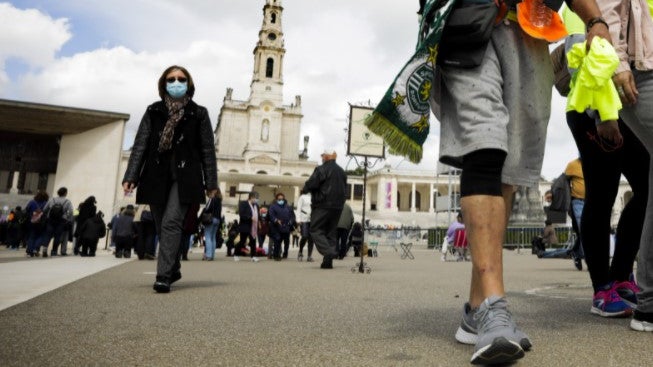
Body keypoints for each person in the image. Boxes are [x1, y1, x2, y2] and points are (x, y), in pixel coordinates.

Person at [418, 0, 612, 363]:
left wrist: (595, 21)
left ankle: (476, 309)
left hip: (530, 33)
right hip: (471, 22)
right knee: (484, 147)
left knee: (508, 170)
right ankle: (494, 307)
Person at [122, 65, 218, 293]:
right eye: (171, 79)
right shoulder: (153, 111)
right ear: (164, 84)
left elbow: (207, 150)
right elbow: (141, 145)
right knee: (160, 224)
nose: (177, 82)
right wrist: (131, 175)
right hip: (156, 174)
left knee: (172, 222)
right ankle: (173, 265)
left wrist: (211, 182)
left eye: (181, 79)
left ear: (189, 83)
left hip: (186, 176)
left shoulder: (199, 113)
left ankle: (163, 276)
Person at [598, 0, 653, 332]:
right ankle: (648, 302)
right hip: (638, 72)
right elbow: (604, 9)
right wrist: (617, 62)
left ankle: (649, 304)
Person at [302, 148, 347, 269]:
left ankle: (329, 252)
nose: (321, 158)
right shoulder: (342, 171)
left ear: (327, 157)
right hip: (338, 206)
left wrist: (304, 189)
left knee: (315, 229)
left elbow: (312, 183)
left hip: (323, 205)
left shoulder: (321, 169)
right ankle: (327, 263)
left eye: (323, 156)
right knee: (331, 232)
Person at [565, 158, 586, 270]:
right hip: (577, 201)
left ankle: (576, 253)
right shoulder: (572, 165)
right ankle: (590, 259)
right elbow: (563, 182)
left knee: (586, 232)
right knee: (584, 230)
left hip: (591, 202)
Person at [43, 187, 74, 257]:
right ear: (65, 193)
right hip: (61, 220)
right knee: (57, 236)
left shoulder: (52, 199)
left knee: (48, 235)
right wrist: (68, 218)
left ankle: (45, 249)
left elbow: (45, 209)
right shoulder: (67, 201)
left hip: (51, 220)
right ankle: (54, 251)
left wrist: (47, 215)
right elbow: (71, 211)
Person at [268, 192, 295, 261]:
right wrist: (276, 220)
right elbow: (271, 215)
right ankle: (276, 255)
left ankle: (285, 253)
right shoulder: (273, 207)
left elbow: (292, 216)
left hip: (286, 227)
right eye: (279, 199)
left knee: (287, 242)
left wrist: (291, 222)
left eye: (282, 199)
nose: (281, 201)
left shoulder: (288, 207)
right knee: (277, 241)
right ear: (276, 199)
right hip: (276, 227)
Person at [236, 192, 259, 262]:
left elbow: (258, 215)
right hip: (245, 225)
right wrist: (250, 218)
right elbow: (241, 214)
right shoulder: (243, 204)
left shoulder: (256, 206)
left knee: (253, 241)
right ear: (251, 197)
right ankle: (236, 254)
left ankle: (253, 256)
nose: (256, 200)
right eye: (255, 198)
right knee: (242, 241)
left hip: (253, 226)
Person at [25, 191, 48, 257]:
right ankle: (36, 248)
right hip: (42, 222)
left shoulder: (32, 202)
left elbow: (27, 209)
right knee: (41, 236)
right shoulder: (46, 203)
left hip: (32, 221)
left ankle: (29, 252)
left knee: (31, 236)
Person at [202, 191, 222, 261]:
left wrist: (204, 210)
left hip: (211, 219)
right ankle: (212, 255)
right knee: (213, 237)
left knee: (207, 237)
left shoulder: (212, 199)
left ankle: (208, 255)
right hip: (217, 220)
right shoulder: (219, 200)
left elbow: (207, 208)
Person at [295, 191, 314, 262]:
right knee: (305, 236)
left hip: (312, 220)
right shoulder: (302, 197)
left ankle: (309, 256)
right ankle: (300, 252)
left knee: (311, 238)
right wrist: (298, 219)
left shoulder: (316, 197)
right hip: (304, 219)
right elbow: (298, 208)